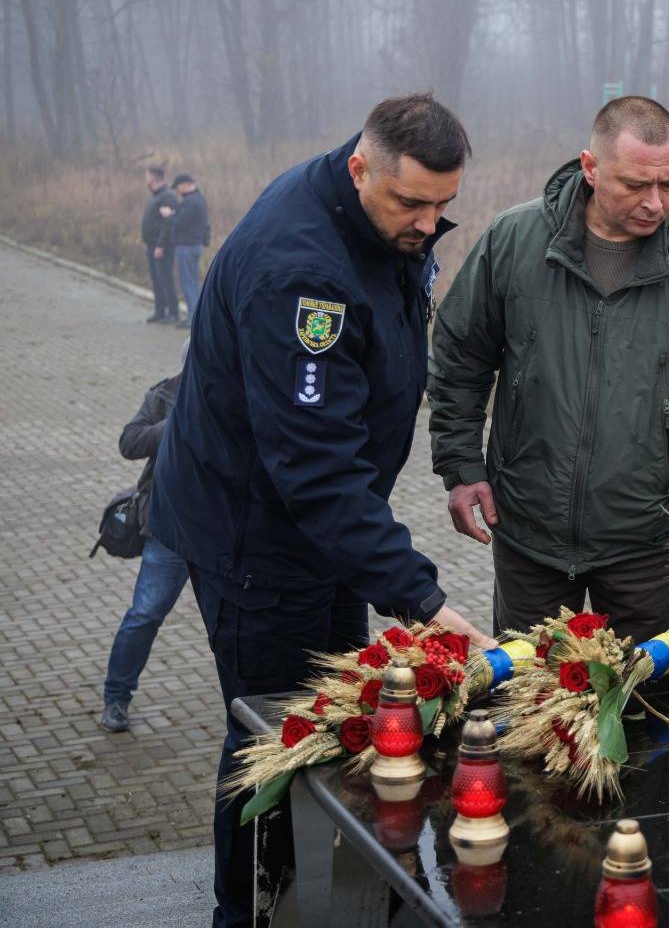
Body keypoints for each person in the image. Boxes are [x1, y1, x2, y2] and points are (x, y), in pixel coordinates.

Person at [147, 93, 493, 928]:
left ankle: (321, 892)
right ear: (358, 167)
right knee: (273, 742)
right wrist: (424, 599)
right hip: (255, 542)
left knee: (337, 721)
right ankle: (249, 909)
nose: (427, 223)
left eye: (444, 206)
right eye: (411, 203)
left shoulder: (373, 220)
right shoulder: (302, 273)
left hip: (322, 537)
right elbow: (313, 468)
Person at [428, 97, 669, 642]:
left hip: (649, 544)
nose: (655, 203)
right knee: (531, 708)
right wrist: (461, 463)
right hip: (528, 534)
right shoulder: (514, 242)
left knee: (650, 711)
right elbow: (459, 357)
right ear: (590, 168)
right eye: (635, 185)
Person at [99, 342, 190, 733]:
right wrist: (173, 427)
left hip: (222, 533)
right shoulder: (166, 393)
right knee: (145, 614)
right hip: (167, 527)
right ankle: (116, 698)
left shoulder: (237, 395)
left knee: (238, 623)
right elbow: (129, 441)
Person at [169, 172, 211, 327]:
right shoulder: (200, 199)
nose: (177, 191)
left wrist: (170, 216)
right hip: (196, 244)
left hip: (187, 246)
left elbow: (180, 223)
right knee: (193, 281)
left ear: (185, 185)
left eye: (177, 187)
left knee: (188, 282)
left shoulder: (190, 202)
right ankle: (197, 315)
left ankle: (192, 316)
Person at [139, 166, 180, 323]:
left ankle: (173, 312)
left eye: (147, 176)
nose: (145, 179)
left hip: (161, 247)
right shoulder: (155, 196)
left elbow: (167, 225)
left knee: (165, 279)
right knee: (156, 280)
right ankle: (159, 311)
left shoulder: (167, 196)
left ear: (153, 178)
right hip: (151, 246)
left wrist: (160, 245)